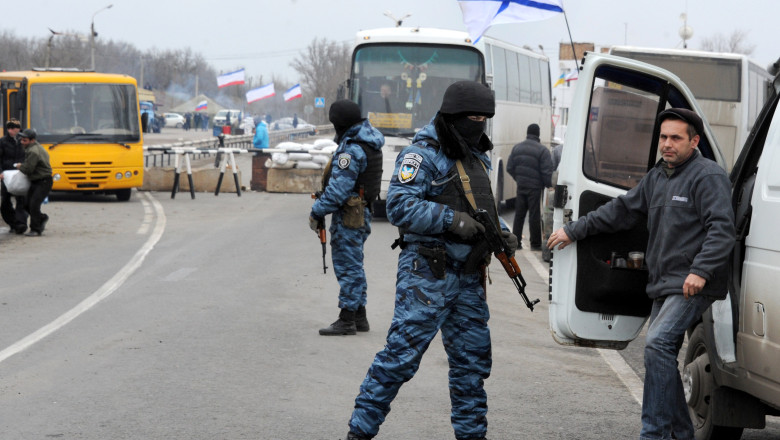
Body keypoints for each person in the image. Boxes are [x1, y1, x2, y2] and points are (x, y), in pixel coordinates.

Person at [547, 108, 735, 440]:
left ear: (694, 140)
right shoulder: (657, 177)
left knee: (658, 344)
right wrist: (573, 230)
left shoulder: (708, 176)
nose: (667, 144)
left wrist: (701, 271)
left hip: (692, 283)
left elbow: (722, 229)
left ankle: (654, 433)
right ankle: (680, 431)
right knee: (659, 353)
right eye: (663, 137)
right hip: (663, 283)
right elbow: (620, 211)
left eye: (676, 138)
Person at [345, 81, 517, 440]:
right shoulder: (422, 155)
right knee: (398, 361)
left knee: (472, 367)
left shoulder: (475, 155)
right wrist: (451, 221)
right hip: (427, 275)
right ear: (453, 116)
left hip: (469, 278)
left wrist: (500, 232)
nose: (479, 124)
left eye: (485, 118)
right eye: (473, 117)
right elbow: (398, 205)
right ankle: (358, 434)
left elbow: (479, 207)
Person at [309, 99, 384, 336]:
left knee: (348, 266)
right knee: (355, 264)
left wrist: (317, 211)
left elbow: (338, 192)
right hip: (362, 212)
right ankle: (359, 316)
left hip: (350, 217)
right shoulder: (369, 140)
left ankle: (347, 319)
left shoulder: (352, 149)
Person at [506, 123, 553, 250]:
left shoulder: (517, 148)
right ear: (538, 134)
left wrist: (518, 178)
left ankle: (516, 243)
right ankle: (535, 244)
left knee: (519, 215)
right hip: (535, 188)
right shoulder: (542, 150)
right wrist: (548, 185)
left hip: (521, 186)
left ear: (527, 133)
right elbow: (546, 172)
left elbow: (509, 167)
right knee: (534, 215)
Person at [12, 129, 52, 236]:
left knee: (34, 204)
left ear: (32, 140)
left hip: (43, 181)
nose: (22, 142)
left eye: (24, 140)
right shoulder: (34, 147)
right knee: (26, 204)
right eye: (21, 140)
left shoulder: (33, 151)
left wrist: (20, 166)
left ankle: (35, 229)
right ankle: (42, 218)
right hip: (36, 181)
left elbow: (28, 169)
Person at [0, 119, 28, 234]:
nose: (11, 130)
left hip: (20, 173)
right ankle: (12, 222)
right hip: (6, 175)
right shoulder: (2, 142)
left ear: (18, 129)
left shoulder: (24, 141)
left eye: (14, 128)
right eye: (9, 128)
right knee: (5, 201)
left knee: (21, 200)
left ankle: (21, 224)